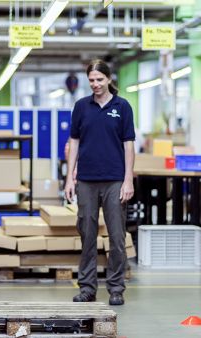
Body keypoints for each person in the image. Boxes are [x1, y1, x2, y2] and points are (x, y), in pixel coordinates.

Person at [64, 59, 135, 306]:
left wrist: (128, 180)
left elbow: (128, 145)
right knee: (87, 235)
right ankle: (87, 288)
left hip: (115, 180)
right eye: (91, 80)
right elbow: (74, 142)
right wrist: (69, 178)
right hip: (86, 180)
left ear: (109, 79)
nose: (95, 84)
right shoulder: (81, 107)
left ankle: (116, 288)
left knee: (116, 237)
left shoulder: (122, 107)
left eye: (100, 80)